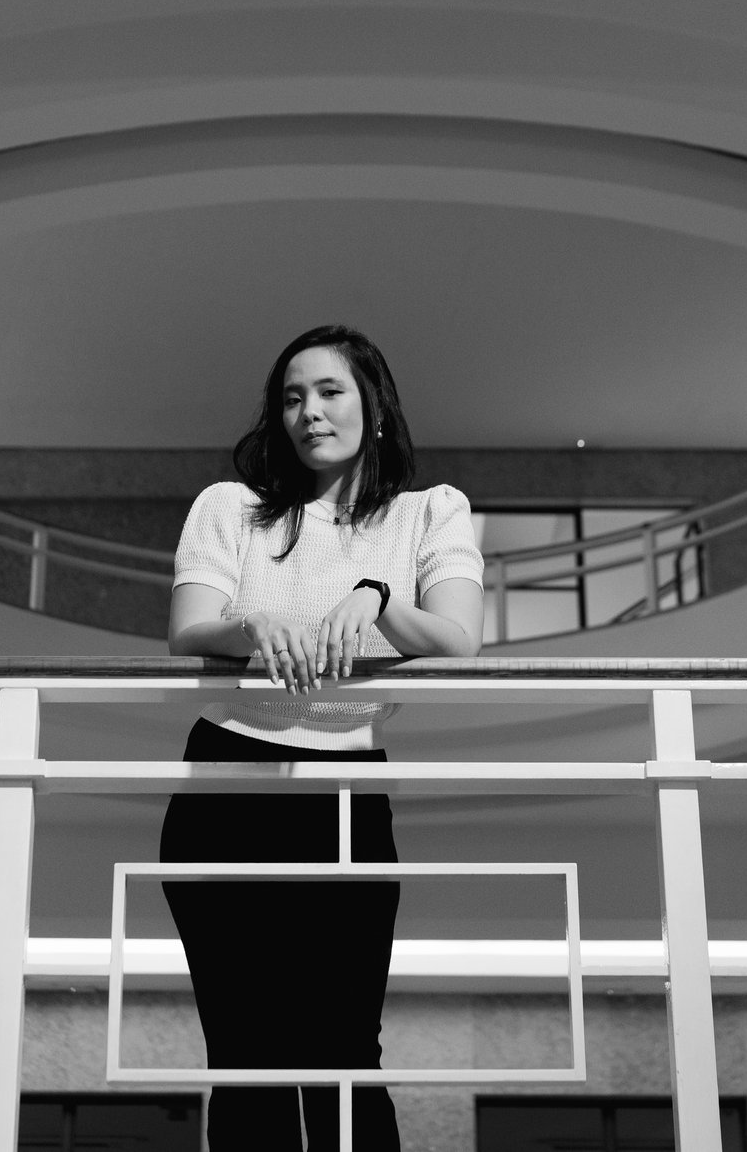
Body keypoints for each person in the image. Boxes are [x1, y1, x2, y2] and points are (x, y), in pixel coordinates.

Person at [162, 324, 485, 1151]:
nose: (310, 411)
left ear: (374, 406)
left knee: (344, 1047)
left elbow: (457, 638)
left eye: (331, 390)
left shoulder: (426, 514)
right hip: (227, 779)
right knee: (246, 1052)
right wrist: (253, 620)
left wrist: (375, 595)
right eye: (293, 396)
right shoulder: (229, 508)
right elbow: (189, 629)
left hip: (347, 784)